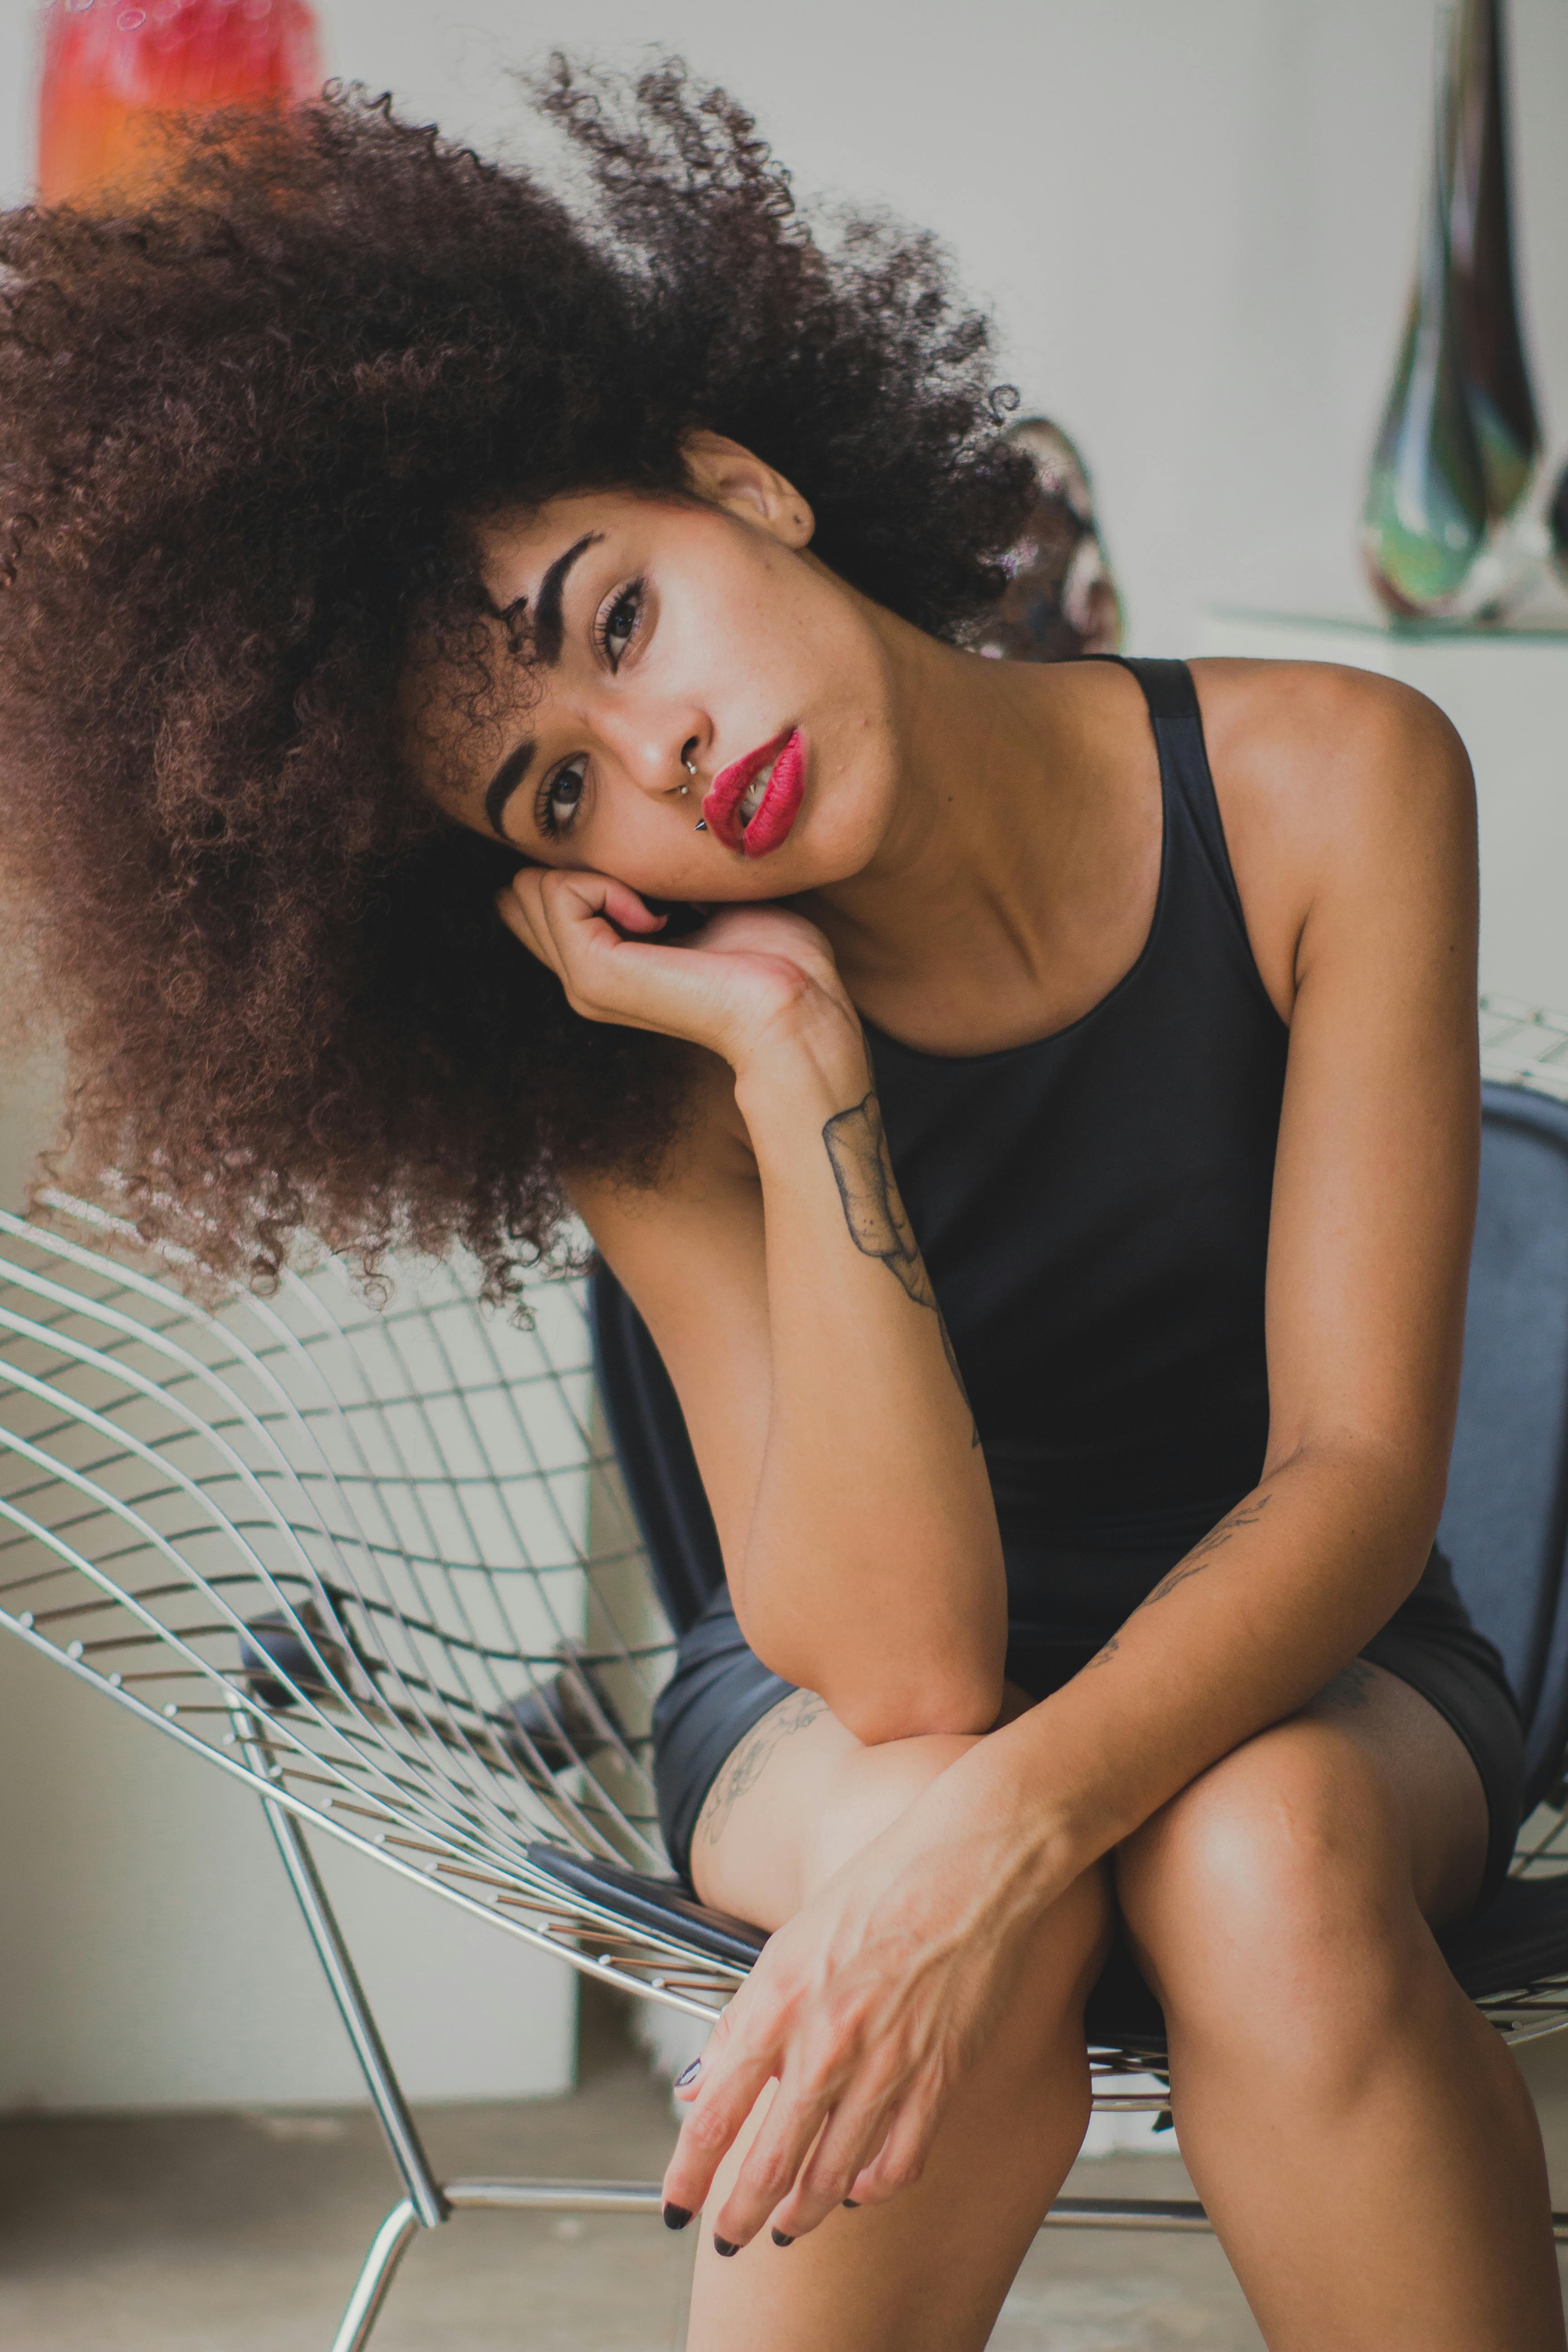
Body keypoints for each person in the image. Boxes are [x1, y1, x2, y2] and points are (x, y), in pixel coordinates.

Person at [0, 67, 1560, 2352]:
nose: (658, 765)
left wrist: (1016, 1820)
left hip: (1318, 1661)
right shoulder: (647, 1061)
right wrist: (795, 1060)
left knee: (1264, 1862)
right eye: (559, 786)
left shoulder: (1337, 786)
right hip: (845, 1702)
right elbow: (903, 1667)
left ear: (744, 480)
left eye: (616, 623)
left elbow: (1353, 1479)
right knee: (949, 1820)